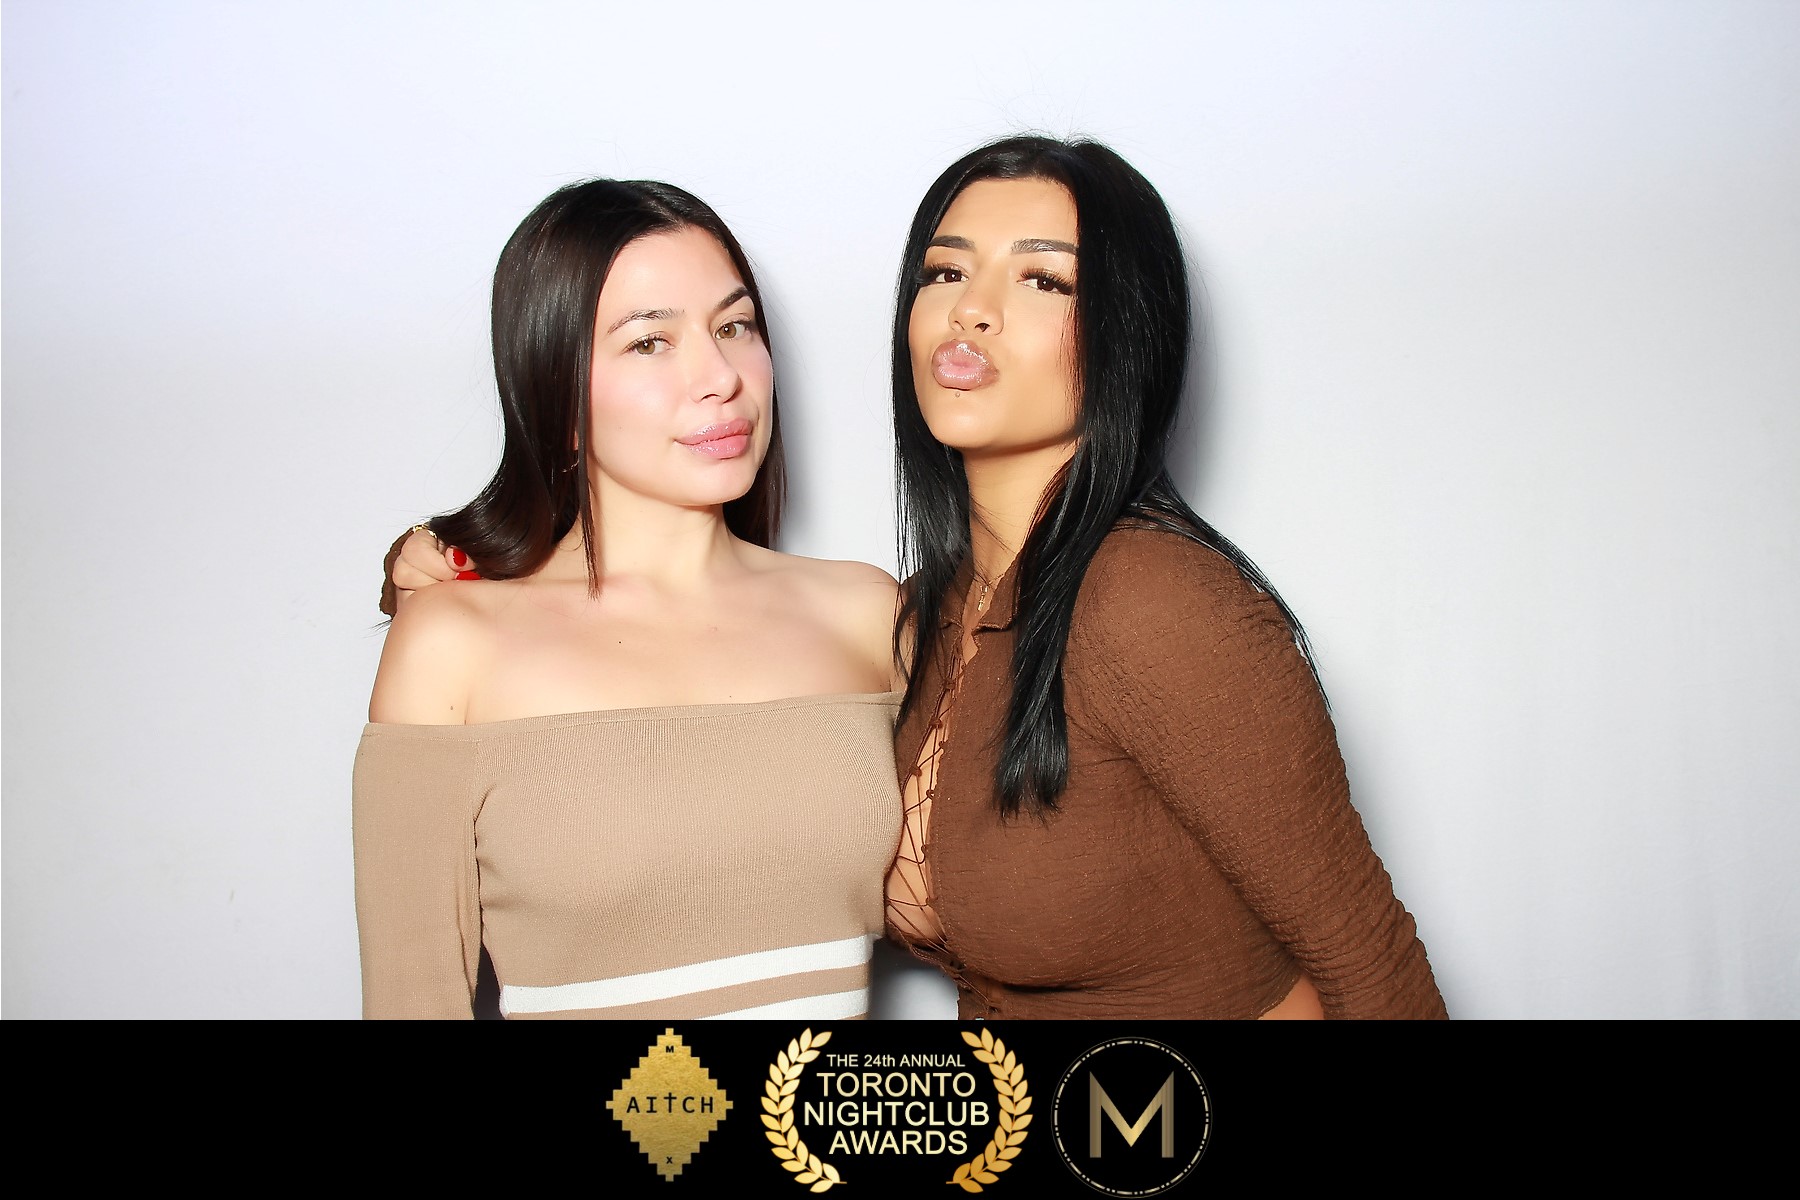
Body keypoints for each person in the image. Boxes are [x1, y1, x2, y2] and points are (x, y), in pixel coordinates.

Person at [392, 137, 1446, 1020]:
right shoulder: (926, 617)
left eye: (1043, 279)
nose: (971, 312)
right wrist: (458, 557)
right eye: (946, 273)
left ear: (1125, 335)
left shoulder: (1141, 602)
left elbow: (1371, 963)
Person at [356, 179, 903, 1019]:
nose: (719, 377)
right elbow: (411, 1003)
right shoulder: (452, 643)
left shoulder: (867, 613)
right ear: (556, 397)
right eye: (650, 342)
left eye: (734, 327)